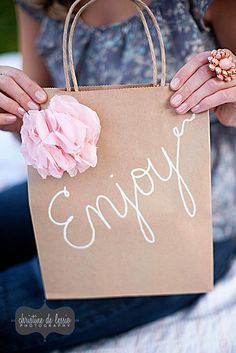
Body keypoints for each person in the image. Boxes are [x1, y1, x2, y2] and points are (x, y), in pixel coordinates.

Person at [0, 0, 236, 352]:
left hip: (187, 234)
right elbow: (34, 121)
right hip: (80, 198)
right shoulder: (39, 3)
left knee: (11, 318)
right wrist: (14, 109)